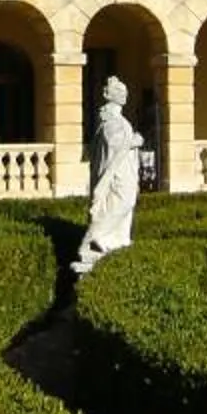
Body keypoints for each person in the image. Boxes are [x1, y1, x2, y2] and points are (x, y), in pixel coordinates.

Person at [72, 75, 142, 273]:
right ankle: (92, 239)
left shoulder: (116, 118)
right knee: (121, 204)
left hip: (123, 172)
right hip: (117, 175)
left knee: (124, 204)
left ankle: (114, 241)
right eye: (120, 91)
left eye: (125, 91)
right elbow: (114, 145)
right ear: (109, 95)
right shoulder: (111, 119)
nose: (125, 94)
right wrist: (135, 141)